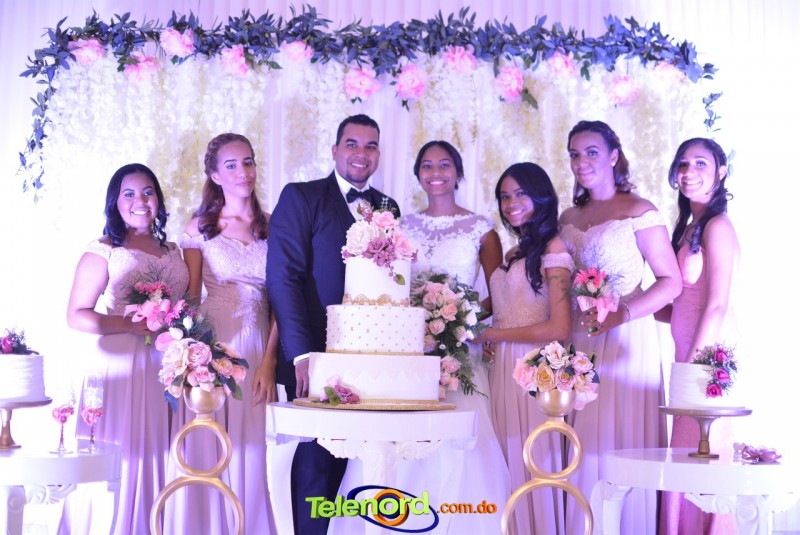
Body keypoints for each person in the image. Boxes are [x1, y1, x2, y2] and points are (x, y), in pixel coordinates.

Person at [266, 114, 400, 535]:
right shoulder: (302, 197)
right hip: (316, 356)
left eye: (371, 145)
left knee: (352, 466)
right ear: (335, 150)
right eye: (352, 144)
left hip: (370, 360)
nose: (362, 153)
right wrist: (301, 354)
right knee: (315, 466)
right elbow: (284, 278)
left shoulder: (388, 207)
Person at [559, 120, 682, 535]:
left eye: (591, 152)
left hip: (627, 338)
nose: (581, 161)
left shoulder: (639, 211)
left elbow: (670, 282)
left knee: (614, 442)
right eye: (574, 154)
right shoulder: (568, 216)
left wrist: (622, 313)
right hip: (579, 340)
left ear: (613, 156)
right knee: (579, 439)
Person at [61, 163, 189, 534]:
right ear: (115, 203)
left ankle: (151, 522)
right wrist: (129, 325)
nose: (140, 201)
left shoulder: (174, 250)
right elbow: (76, 315)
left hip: (164, 362)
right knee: (122, 449)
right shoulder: (104, 250)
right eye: (129, 194)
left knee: (158, 448)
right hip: (120, 362)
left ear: (158, 199)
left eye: (148, 192)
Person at [164, 133, 276, 534]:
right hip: (215, 345)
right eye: (231, 165)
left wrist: (270, 361)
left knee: (251, 447)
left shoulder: (274, 226)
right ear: (215, 175)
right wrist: (190, 359)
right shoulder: (200, 228)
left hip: (259, 346)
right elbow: (192, 297)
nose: (243, 172)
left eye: (248, 162)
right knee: (208, 441)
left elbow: (283, 299)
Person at [399, 140, 510, 533]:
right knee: (409, 440)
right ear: (418, 174)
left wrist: (459, 320)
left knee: (460, 440)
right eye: (427, 166)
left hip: (461, 350)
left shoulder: (481, 228)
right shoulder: (403, 227)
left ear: (458, 173)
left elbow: (499, 292)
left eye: (445, 165)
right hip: (411, 351)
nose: (436, 173)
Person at [475, 162, 573, 535]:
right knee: (507, 459)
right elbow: (504, 305)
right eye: (504, 196)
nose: (511, 203)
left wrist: (493, 335)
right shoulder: (516, 251)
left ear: (541, 196)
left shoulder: (554, 247)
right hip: (503, 368)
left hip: (536, 370)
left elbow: (559, 327)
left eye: (520, 194)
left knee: (534, 461)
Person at [657, 138, 739, 534]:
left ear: (721, 171)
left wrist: (691, 369)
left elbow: (717, 305)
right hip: (688, 358)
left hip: (706, 364)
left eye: (701, 163)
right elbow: (678, 307)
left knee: (704, 465)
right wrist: (624, 301)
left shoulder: (718, 225)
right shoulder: (690, 226)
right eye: (683, 163)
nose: (689, 171)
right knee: (686, 461)